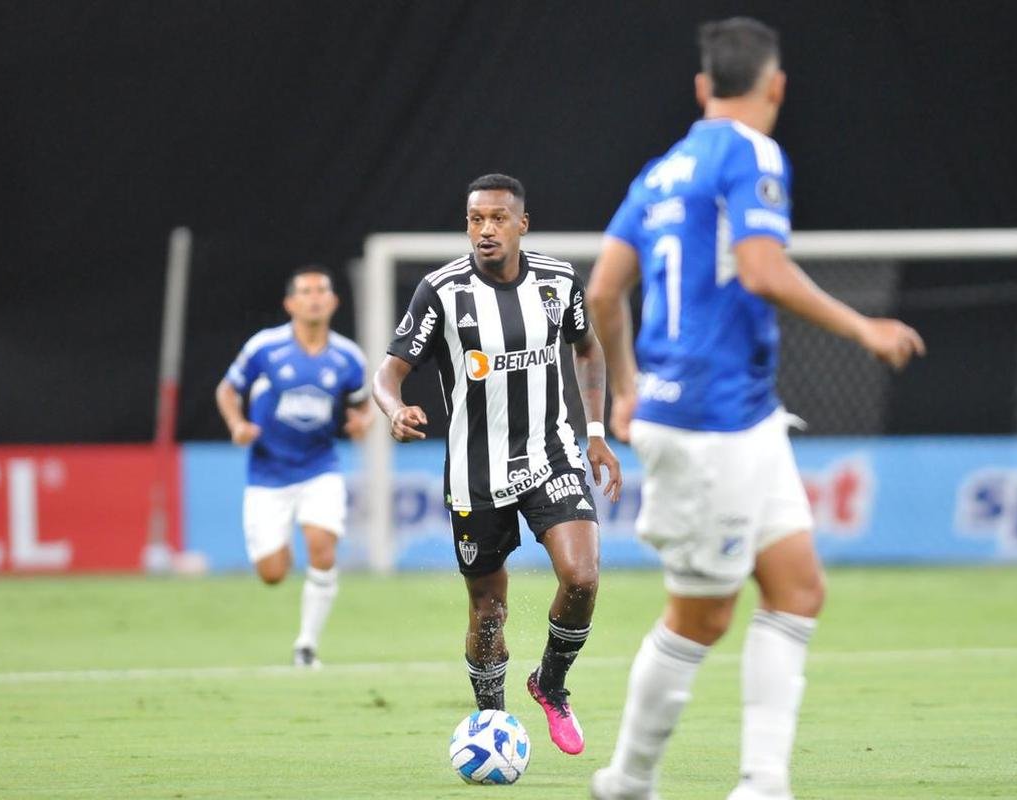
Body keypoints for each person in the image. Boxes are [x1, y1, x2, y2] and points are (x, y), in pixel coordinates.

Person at [586, 18, 925, 800]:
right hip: (710, 420)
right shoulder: (754, 153)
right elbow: (764, 271)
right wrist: (863, 327)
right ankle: (627, 782)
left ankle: (763, 784)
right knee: (700, 617)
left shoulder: (662, 169)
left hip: (738, 414)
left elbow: (604, 291)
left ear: (703, 88)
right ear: (775, 86)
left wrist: (630, 387)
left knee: (797, 587)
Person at [372, 173, 623, 755]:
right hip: (475, 471)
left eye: (497, 219)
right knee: (489, 610)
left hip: (552, 453)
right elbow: (388, 373)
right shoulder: (441, 293)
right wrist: (394, 409)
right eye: (475, 219)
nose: (485, 230)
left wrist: (594, 431)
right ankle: (493, 722)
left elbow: (588, 347)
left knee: (582, 577)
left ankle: (551, 684)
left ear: (521, 224)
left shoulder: (560, 282)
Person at [215, 266, 373, 668]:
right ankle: (278, 553)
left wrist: (363, 422)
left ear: (334, 301)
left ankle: (306, 646)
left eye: (322, 290)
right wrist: (236, 425)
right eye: (305, 291)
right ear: (290, 303)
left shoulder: (348, 357)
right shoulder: (265, 349)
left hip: (320, 466)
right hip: (267, 472)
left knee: (322, 547)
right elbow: (228, 389)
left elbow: (363, 402)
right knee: (272, 572)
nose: (315, 296)